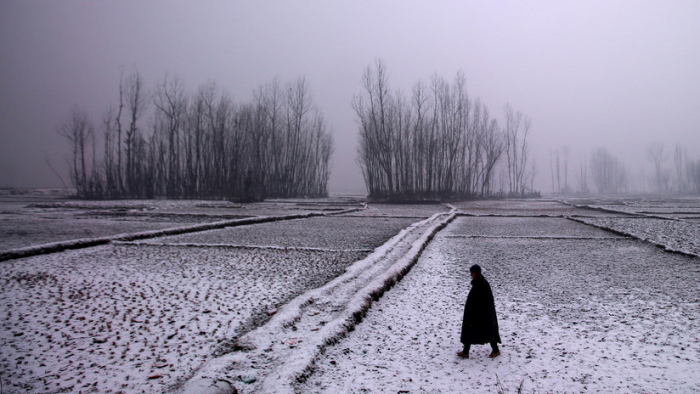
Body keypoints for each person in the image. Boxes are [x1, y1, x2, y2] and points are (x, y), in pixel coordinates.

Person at [457, 264, 501, 359]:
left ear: (476, 273)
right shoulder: (478, 282)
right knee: (469, 331)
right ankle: (465, 351)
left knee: (488, 331)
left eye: (472, 273)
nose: (471, 275)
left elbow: (486, 300)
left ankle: (496, 350)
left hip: (481, 314)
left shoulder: (482, 284)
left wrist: (482, 312)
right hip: (474, 313)